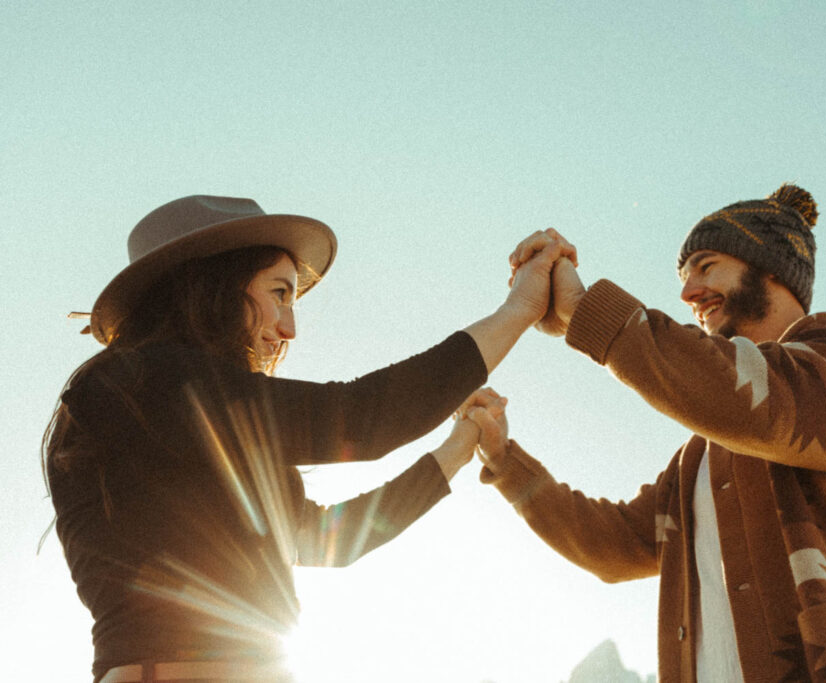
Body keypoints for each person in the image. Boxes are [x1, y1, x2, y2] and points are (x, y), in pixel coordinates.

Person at [43, 195, 571, 682]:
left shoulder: (178, 412)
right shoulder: (143, 382)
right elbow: (360, 420)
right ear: (213, 286)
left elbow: (323, 541)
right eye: (279, 293)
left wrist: (460, 446)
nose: (289, 328)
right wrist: (517, 312)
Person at [468, 185, 826, 681]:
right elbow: (612, 545)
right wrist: (503, 459)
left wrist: (582, 311)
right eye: (685, 274)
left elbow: (753, 402)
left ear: (771, 267)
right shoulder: (697, 462)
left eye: (706, 265)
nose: (687, 292)